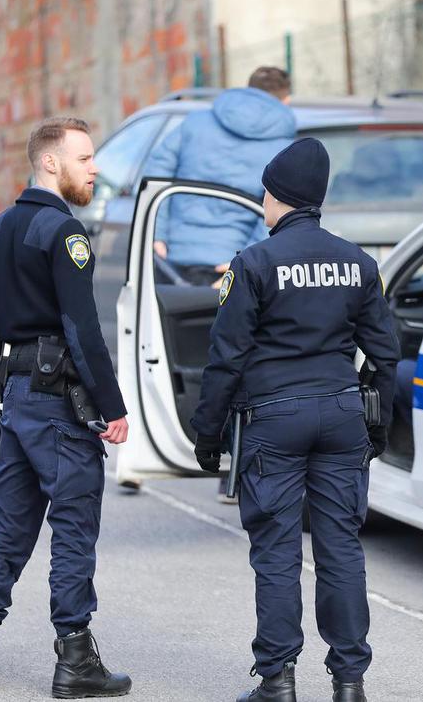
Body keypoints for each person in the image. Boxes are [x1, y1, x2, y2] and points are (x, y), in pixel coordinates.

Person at [191, 138, 401, 702]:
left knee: (278, 552)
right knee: (340, 549)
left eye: (265, 194)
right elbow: (386, 355)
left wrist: (207, 435)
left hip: (273, 422)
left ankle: (278, 681)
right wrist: (375, 424)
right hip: (340, 415)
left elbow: (226, 356)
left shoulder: (253, 263)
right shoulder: (359, 264)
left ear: (277, 197)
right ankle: (350, 682)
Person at [0, 116, 132, 698]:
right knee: (74, 527)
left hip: (17, 401)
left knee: (9, 524)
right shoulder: (65, 233)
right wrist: (113, 407)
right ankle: (75, 659)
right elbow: (82, 330)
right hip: (59, 405)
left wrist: (13, 369)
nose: (94, 168)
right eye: (84, 158)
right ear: (50, 163)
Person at [143, 66, 296, 287]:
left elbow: (157, 170)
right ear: (286, 100)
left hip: (172, 255)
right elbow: (281, 206)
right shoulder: (284, 147)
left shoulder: (194, 123)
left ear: (248, 90)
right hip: (233, 263)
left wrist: (157, 233)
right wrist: (247, 259)